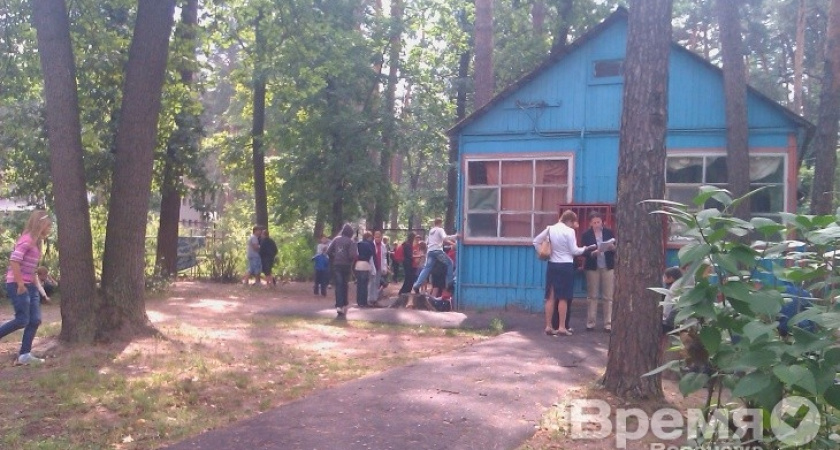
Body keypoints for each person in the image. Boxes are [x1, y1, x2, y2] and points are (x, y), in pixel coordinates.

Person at [0, 210, 52, 364]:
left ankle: (24, 355)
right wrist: (21, 283)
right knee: (23, 319)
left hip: (30, 285)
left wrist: (37, 288)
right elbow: (14, 261)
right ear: (40, 224)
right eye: (48, 225)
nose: (49, 229)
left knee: (35, 320)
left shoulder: (37, 242)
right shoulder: (27, 240)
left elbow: (31, 269)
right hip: (17, 284)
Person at [533, 210, 595, 336]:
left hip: (552, 264)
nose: (573, 225)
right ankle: (562, 327)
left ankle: (548, 326)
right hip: (566, 265)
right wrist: (585, 248)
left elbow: (535, 241)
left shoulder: (550, 229)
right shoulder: (569, 231)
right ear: (570, 221)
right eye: (573, 223)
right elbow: (574, 250)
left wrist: (543, 253)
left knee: (550, 296)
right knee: (563, 297)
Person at [581, 212, 616, 332]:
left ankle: (608, 323)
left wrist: (612, 248)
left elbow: (616, 247)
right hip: (593, 267)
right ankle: (591, 322)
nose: (597, 224)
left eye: (598, 222)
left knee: (608, 296)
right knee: (592, 295)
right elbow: (583, 250)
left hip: (607, 266)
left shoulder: (608, 232)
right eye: (594, 222)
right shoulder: (586, 235)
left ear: (602, 222)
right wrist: (592, 253)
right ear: (590, 223)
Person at [411, 218, 458, 294]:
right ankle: (450, 283)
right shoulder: (440, 230)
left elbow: (428, 242)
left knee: (427, 268)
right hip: (437, 251)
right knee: (450, 263)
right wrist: (456, 236)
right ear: (440, 223)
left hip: (430, 251)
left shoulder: (431, 231)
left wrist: (451, 243)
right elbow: (445, 238)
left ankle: (416, 285)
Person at [327, 224, 357, 316]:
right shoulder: (351, 242)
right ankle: (344, 302)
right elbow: (352, 255)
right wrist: (349, 261)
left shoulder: (336, 239)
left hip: (337, 265)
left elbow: (328, 251)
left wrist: (334, 258)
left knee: (338, 285)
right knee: (345, 284)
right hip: (346, 266)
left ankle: (339, 305)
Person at [355, 231, 376, 308]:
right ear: (368, 237)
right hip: (365, 264)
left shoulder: (358, 244)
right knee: (364, 284)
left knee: (359, 284)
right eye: (370, 237)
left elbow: (356, 254)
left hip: (358, 264)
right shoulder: (369, 244)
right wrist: (373, 269)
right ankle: (364, 302)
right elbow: (371, 256)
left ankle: (358, 301)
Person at [369, 230, 389, 305]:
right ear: (374, 237)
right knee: (372, 282)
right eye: (376, 237)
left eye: (379, 237)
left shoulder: (383, 246)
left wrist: (385, 267)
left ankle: (375, 299)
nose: (377, 238)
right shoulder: (371, 245)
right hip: (373, 266)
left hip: (379, 266)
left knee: (377, 283)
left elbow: (384, 257)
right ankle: (370, 298)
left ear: (381, 237)